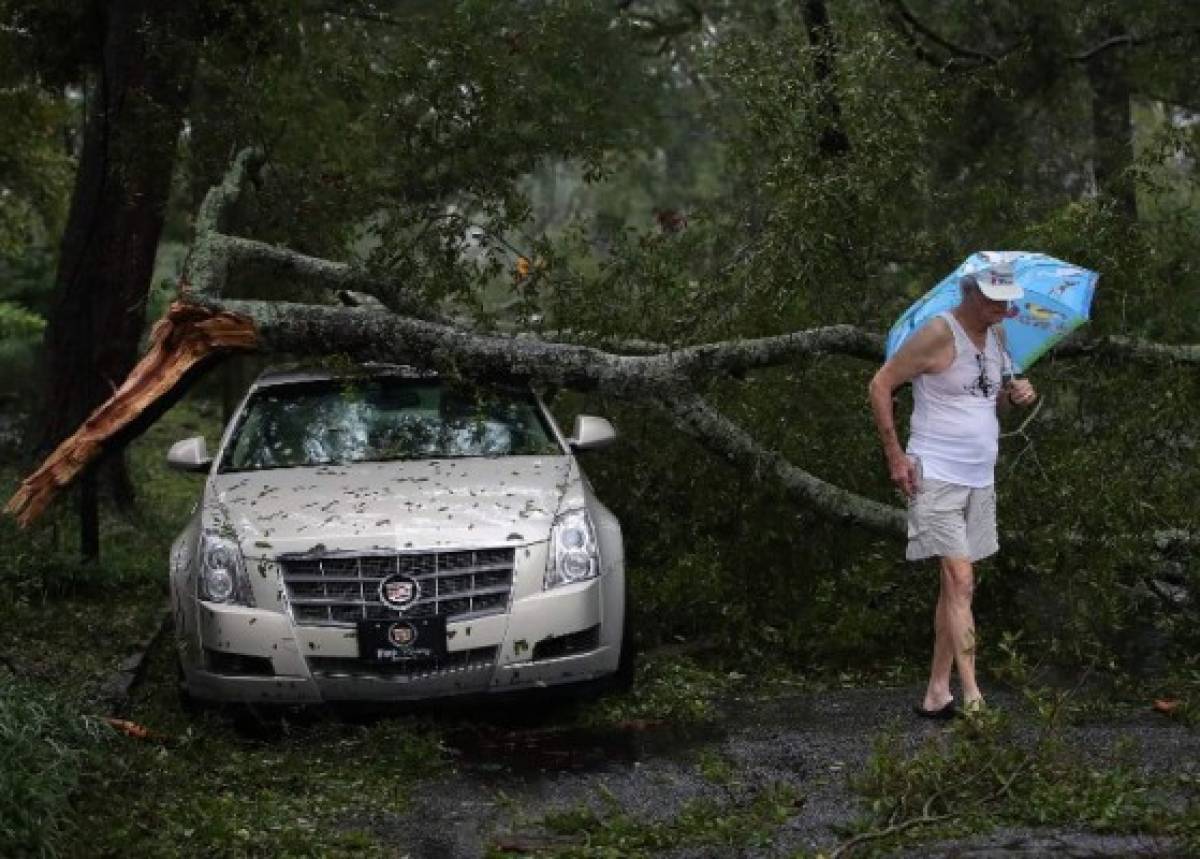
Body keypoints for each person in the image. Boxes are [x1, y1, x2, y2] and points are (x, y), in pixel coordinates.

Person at [868, 264, 1037, 718]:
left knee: (954, 590)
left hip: (980, 476)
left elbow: (989, 402)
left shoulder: (998, 338)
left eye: (1008, 301)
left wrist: (1016, 394)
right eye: (997, 301)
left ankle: (936, 693)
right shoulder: (938, 334)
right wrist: (895, 458)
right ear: (971, 296)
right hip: (936, 473)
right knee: (961, 580)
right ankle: (974, 697)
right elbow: (880, 384)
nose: (1005, 309)